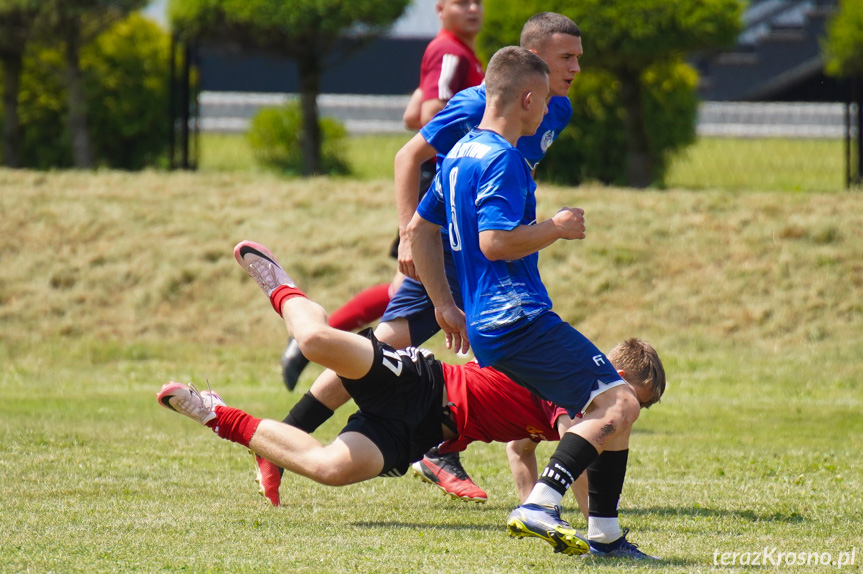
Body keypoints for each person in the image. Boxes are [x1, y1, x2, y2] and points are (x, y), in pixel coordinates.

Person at [156, 240, 665, 556]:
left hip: (420, 431)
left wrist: (544, 506)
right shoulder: (572, 381)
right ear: (617, 375)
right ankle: (285, 290)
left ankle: (215, 413)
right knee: (316, 344)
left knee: (332, 469)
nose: (628, 416)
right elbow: (576, 449)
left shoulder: (583, 404)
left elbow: (525, 450)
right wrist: (597, 514)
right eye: (635, 401)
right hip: (423, 384)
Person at [276, 12, 583, 504]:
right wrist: (407, 234)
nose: (575, 69)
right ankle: (292, 436)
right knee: (384, 347)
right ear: (532, 62)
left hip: (492, 253)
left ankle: (457, 448)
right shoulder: (476, 105)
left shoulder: (557, 109)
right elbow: (408, 156)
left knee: (499, 356)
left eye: (578, 58)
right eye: (566, 57)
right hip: (452, 243)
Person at [407, 46, 659, 559]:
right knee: (622, 401)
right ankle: (540, 502)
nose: (547, 110)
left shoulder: (459, 153)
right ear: (526, 98)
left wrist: (443, 305)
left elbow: (419, 230)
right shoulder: (507, 158)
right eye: (543, 99)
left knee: (601, 406)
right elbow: (495, 242)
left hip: (487, 324)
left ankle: (605, 536)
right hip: (517, 315)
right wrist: (557, 228)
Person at [280, 0, 485, 392]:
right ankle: (328, 354)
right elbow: (429, 115)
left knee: (400, 289)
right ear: (440, 8)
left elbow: (412, 115)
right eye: (462, 2)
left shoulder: (456, 54)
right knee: (415, 286)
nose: (474, 9)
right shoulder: (450, 53)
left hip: (435, 176)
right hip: (439, 181)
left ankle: (316, 346)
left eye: (479, 1)